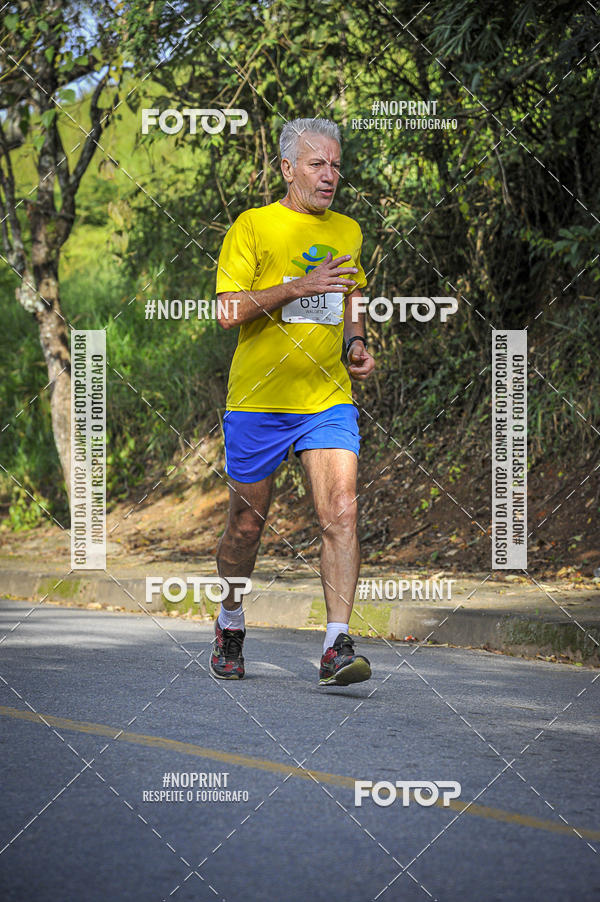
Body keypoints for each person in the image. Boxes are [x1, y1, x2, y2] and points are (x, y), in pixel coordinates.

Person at [210, 116, 375, 685]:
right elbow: (226, 310)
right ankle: (230, 620)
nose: (330, 176)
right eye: (317, 164)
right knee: (246, 525)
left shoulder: (348, 230)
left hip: (327, 397)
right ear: (287, 168)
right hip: (258, 401)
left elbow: (352, 297)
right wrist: (298, 286)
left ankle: (336, 645)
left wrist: (355, 343)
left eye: (336, 165)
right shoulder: (253, 226)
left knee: (342, 511)